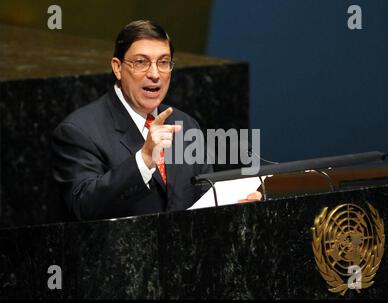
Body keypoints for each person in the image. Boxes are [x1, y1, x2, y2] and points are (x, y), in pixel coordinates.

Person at [52, 20, 259, 221]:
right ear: (117, 68)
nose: (154, 74)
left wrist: (231, 209)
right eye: (141, 62)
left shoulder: (185, 124)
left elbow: (203, 203)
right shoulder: (79, 131)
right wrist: (143, 160)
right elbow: (82, 207)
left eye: (163, 62)